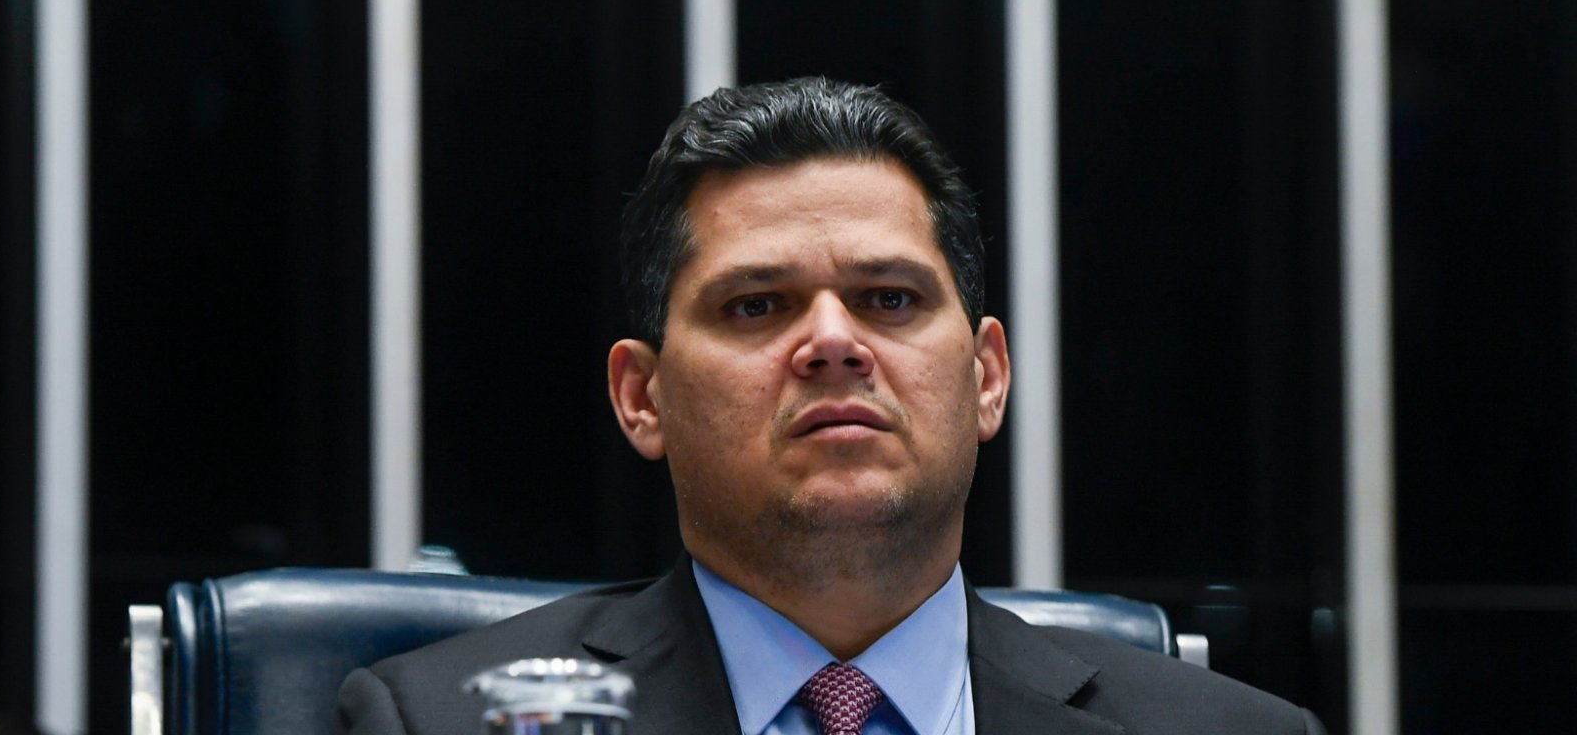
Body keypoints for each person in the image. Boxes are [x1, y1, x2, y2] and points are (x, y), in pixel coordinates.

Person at [333, 76, 1325, 735]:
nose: (833, 341)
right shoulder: (434, 722)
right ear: (642, 397)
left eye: (888, 299)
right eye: (755, 305)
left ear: (986, 377)